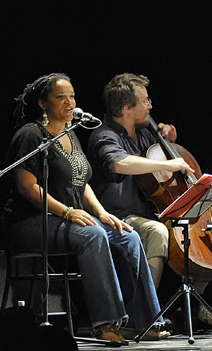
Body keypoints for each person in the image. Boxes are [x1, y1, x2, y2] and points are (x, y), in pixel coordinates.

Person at [0, 73, 166, 343]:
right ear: (43, 103)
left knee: (128, 235)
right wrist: (67, 212)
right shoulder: (31, 134)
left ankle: (142, 321)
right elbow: (27, 187)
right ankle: (105, 323)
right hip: (30, 222)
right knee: (93, 235)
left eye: (72, 96)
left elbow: (82, 182)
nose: (69, 102)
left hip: (68, 219)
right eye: (60, 97)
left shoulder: (70, 135)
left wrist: (101, 212)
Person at [86, 73, 212, 328]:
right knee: (157, 232)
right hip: (118, 216)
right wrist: (167, 163)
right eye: (145, 101)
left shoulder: (146, 135)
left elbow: (162, 173)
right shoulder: (104, 136)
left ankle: (193, 307)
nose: (150, 106)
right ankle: (144, 315)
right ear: (127, 108)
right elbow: (119, 163)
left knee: (205, 231)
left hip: (150, 211)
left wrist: (168, 142)